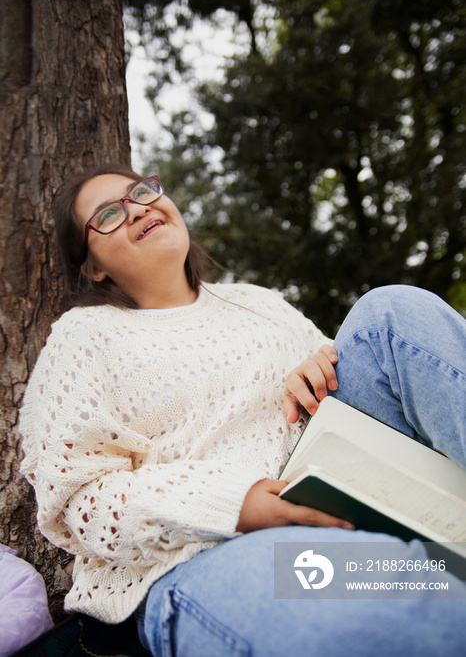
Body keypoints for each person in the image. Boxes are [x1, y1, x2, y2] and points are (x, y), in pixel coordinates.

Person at [19, 164, 466, 657]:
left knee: (393, 311)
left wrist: (316, 367)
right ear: (93, 267)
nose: (137, 209)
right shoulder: (83, 337)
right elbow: (79, 503)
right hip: (205, 554)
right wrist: (237, 503)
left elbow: (335, 383)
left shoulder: (259, 302)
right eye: (108, 214)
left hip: (335, 485)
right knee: (415, 604)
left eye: (141, 192)